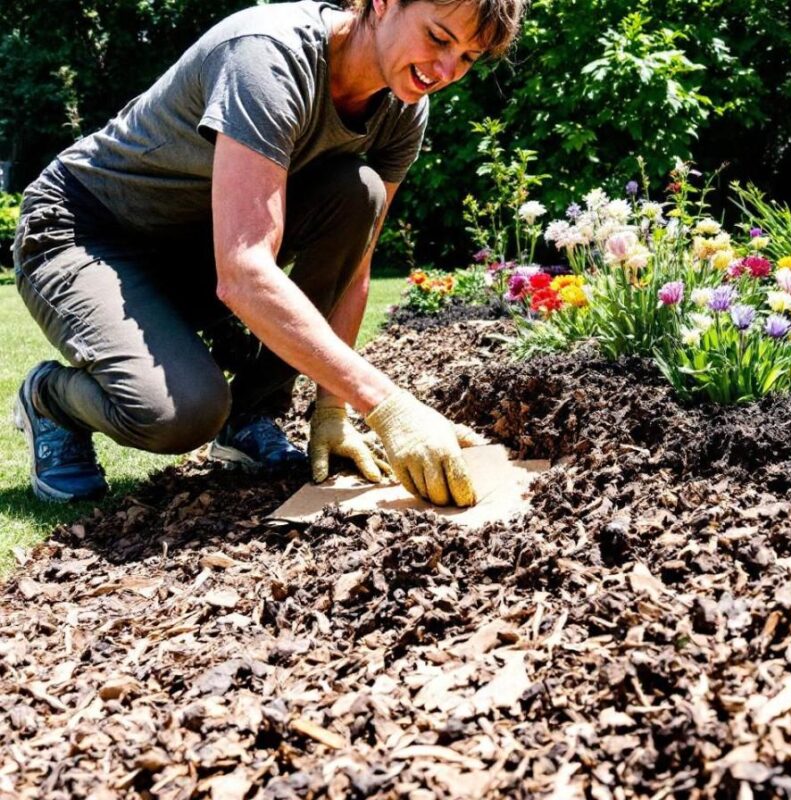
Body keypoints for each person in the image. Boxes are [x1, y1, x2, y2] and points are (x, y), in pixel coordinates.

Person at [10, 0, 526, 508]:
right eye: (438, 37)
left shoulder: (404, 107)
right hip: (85, 230)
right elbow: (244, 270)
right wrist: (387, 407)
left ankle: (251, 417)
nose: (445, 69)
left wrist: (334, 409)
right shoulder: (268, 56)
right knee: (180, 414)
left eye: (468, 57)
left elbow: (356, 262)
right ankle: (51, 400)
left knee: (357, 192)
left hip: (198, 247)